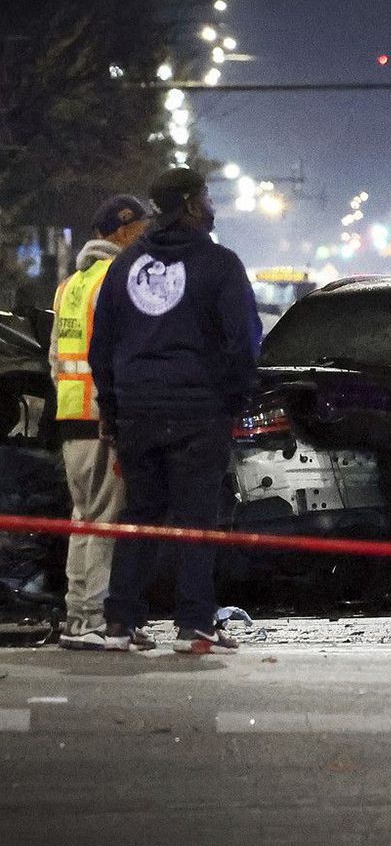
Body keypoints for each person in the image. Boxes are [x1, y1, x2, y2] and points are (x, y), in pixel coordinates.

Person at [90, 168, 262, 654]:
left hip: (138, 411)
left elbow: (101, 344)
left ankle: (121, 622)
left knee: (140, 513)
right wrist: (234, 399)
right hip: (198, 410)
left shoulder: (125, 265)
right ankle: (193, 624)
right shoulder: (220, 264)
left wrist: (112, 405)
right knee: (196, 518)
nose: (211, 205)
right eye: (205, 197)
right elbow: (243, 342)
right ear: (189, 204)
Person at [51, 194, 152, 650]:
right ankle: (97, 619)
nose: (146, 236)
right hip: (104, 416)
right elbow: (125, 354)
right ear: (122, 230)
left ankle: (78, 618)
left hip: (72, 413)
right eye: (141, 228)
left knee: (83, 518)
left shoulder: (71, 284)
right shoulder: (117, 279)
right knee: (107, 521)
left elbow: (56, 357)